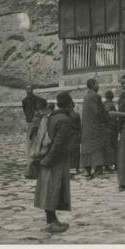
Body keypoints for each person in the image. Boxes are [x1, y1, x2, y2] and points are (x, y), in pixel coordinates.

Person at [34, 92, 72, 234]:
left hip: (46, 157)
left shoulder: (52, 116)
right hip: (55, 160)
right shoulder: (64, 120)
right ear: (69, 103)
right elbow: (59, 144)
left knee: (48, 191)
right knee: (52, 192)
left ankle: (53, 220)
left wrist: (43, 160)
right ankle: (51, 223)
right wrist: (48, 161)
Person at [81, 78, 111, 178]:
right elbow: (98, 112)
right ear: (93, 85)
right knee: (98, 146)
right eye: (97, 84)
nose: (98, 86)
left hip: (86, 126)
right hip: (95, 126)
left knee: (87, 147)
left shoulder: (86, 97)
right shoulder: (95, 96)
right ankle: (98, 168)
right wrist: (106, 116)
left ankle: (87, 169)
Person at [22, 85, 47, 154]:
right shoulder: (24, 100)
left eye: (30, 89)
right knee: (29, 137)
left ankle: (37, 151)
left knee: (38, 136)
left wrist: (39, 113)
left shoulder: (37, 99)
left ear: (32, 90)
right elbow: (24, 109)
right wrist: (28, 117)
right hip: (29, 121)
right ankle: (29, 151)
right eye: (28, 89)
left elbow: (44, 102)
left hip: (37, 120)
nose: (29, 91)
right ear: (26, 90)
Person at [104, 90, 118, 170]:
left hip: (108, 128)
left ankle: (108, 164)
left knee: (109, 146)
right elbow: (109, 114)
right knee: (112, 146)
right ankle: (112, 164)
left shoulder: (105, 104)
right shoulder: (109, 104)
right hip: (111, 128)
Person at [68, 100, 81, 175]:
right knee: (76, 153)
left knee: (69, 152)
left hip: (69, 135)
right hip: (75, 135)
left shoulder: (66, 115)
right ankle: (76, 168)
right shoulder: (76, 115)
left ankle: (70, 168)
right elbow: (79, 126)